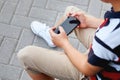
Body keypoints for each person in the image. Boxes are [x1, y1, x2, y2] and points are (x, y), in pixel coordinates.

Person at [17, 0, 120, 80]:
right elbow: (113, 23)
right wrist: (89, 21)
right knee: (71, 12)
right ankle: (53, 37)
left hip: (96, 71)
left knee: (25, 56)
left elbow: (87, 69)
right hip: (107, 51)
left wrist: (64, 44)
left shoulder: (108, 37)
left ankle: (57, 39)